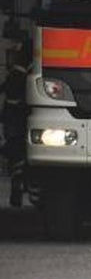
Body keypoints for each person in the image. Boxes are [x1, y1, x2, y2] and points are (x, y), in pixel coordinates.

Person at [2, 24, 31, 208]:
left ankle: (18, 179)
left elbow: (13, 82)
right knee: (17, 147)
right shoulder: (28, 52)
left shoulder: (26, 52)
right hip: (20, 110)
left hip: (17, 111)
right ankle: (18, 179)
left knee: (15, 146)